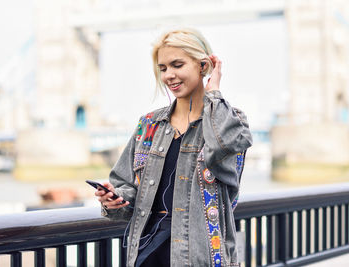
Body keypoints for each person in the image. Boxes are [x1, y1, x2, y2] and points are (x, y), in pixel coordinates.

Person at [95, 28, 253, 267]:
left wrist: (214, 95)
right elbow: (125, 186)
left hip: (201, 258)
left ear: (203, 66)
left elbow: (224, 152)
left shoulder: (232, 121)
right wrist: (114, 199)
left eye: (177, 65)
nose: (169, 75)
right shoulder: (149, 125)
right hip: (148, 254)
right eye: (163, 68)